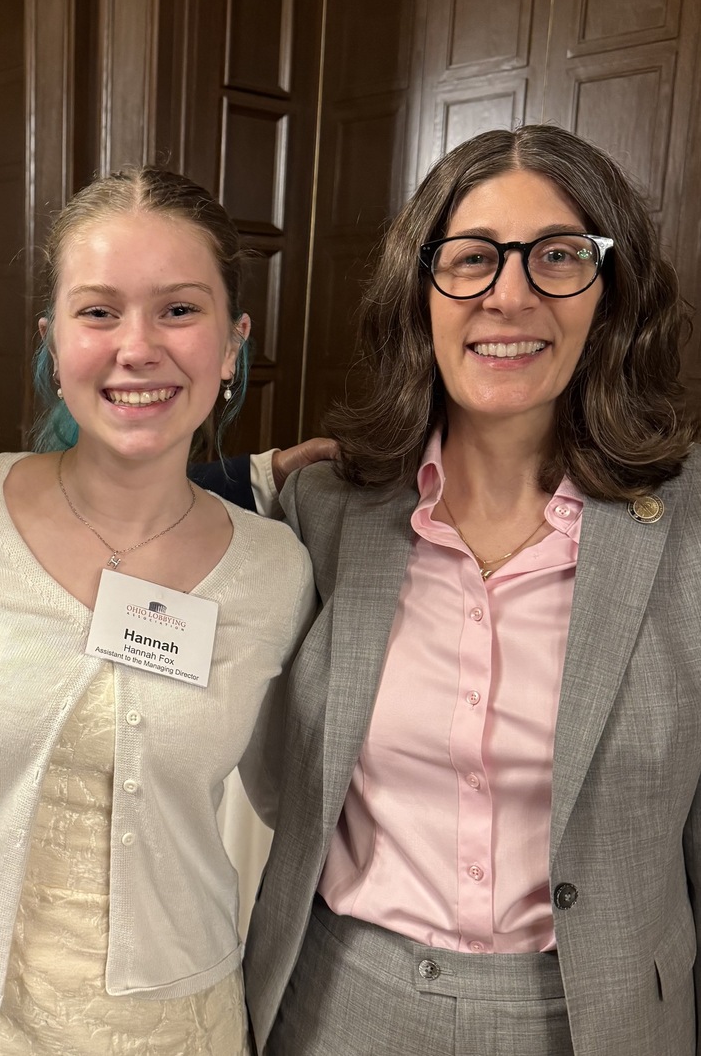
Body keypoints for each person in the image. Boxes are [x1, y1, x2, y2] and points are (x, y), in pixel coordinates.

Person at [243, 123, 701, 1056]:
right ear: (421, 291)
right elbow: (266, 769)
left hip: (599, 1018)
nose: (510, 294)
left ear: (610, 297)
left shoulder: (687, 530)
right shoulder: (325, 513)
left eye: (560, 256)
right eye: (473, 258)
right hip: (336, 1006)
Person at [0, 167, 317, 1054]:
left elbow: (291, 790)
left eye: (179, 311)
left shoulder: (277, 572)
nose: (137, 347)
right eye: (99, 311)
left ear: (234, 343)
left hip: (175, 1019)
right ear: (52, 341)